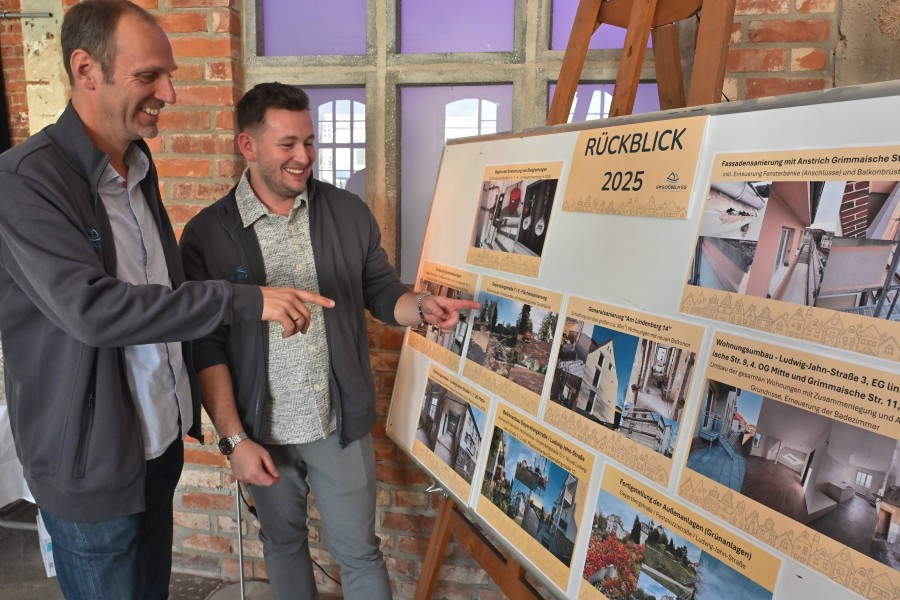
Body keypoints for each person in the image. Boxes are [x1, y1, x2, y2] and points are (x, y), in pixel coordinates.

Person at [0, 3, 332, 598]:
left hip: (156, 449)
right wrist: (243, 299)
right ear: (85, 69)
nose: (170, 93)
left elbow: (164, 299)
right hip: (90, 469)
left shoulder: (136, 167)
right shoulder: (24, 180)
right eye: (149, 76)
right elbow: (96, 311)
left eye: (171, 75)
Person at [180, 82, 479, 599]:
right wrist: (233, 441)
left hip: (336, 424)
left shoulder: (347, 213)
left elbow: (383, 292)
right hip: (260, 431)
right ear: (247, 147)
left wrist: (420, 307)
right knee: (282, 543)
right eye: (287, 144)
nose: (303, 158)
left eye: (310, 142)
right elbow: (205, 347)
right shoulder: (208, 234)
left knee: (360, 552)